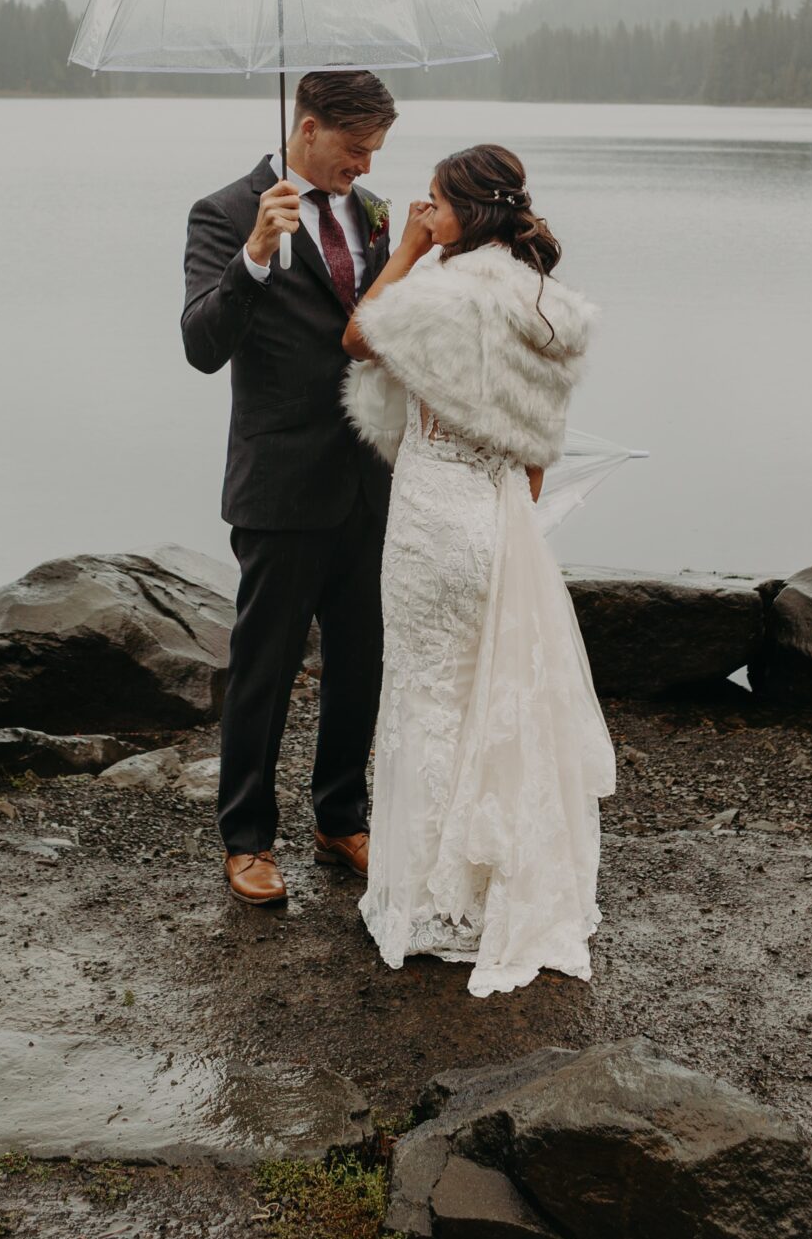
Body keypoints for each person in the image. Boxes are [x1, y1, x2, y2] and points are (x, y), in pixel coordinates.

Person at [341, 143, 613, 996]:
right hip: (496, 522)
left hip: (427, 520)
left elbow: (355, 336)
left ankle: (427, 900)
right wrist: (514, 520)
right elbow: (535, 456)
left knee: (425, 694)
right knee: (488, 696)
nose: (424, 211)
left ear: (468, 207)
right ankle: (489, 891)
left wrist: (406, 253)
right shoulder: (545, 304)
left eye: (433, 200)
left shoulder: (440, 292)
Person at [181, 68, 397, 907]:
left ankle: (341, 816)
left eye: (376, 150)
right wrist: (255, 257)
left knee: (360, 662)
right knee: (263, 668)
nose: (366, 167)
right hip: (279, 479)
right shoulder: (225, 213)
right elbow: (202, 345)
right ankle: (246, 839)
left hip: (370, 478)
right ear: (306, 129)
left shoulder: (373, 215)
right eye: (354, 148)